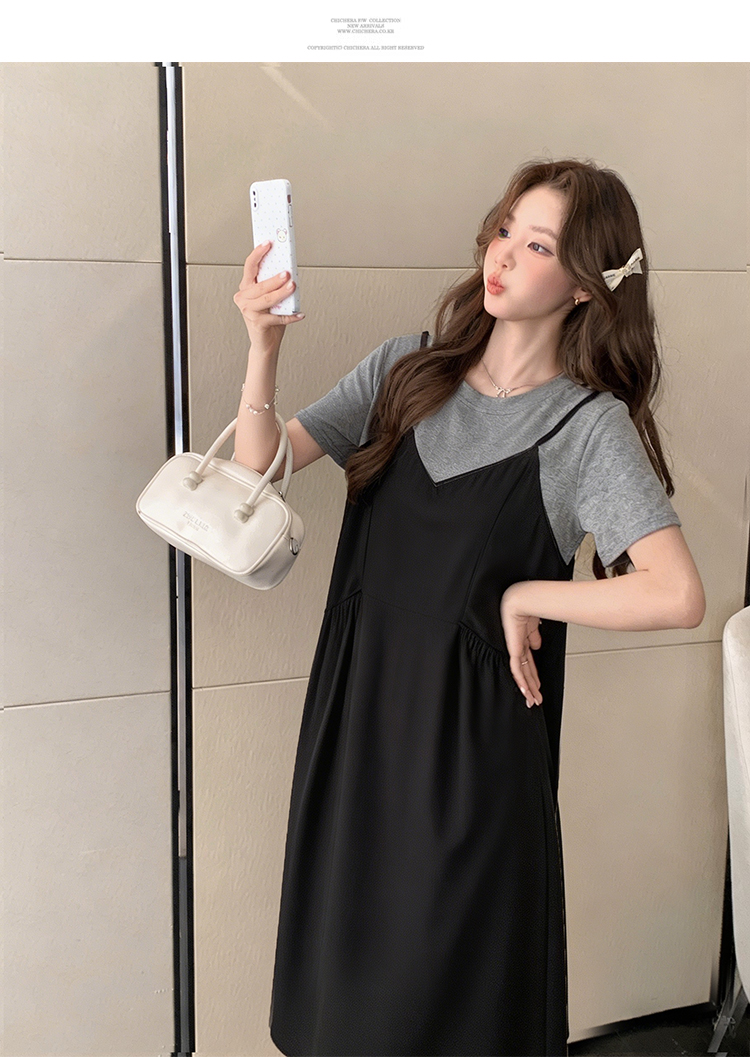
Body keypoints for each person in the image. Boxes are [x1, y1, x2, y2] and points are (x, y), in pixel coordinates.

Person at [232, 158, 705, 1057]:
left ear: (584, 284)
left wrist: (528, 592)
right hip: (358, 733)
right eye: (504, 230)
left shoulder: (585, 429)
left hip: (470, 773)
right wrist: (264, 346)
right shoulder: (404, 373)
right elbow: (258, 470)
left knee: (444, 1011)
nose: (505, 255)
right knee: (342, 1009)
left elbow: (676, 591)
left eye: (539, 245)